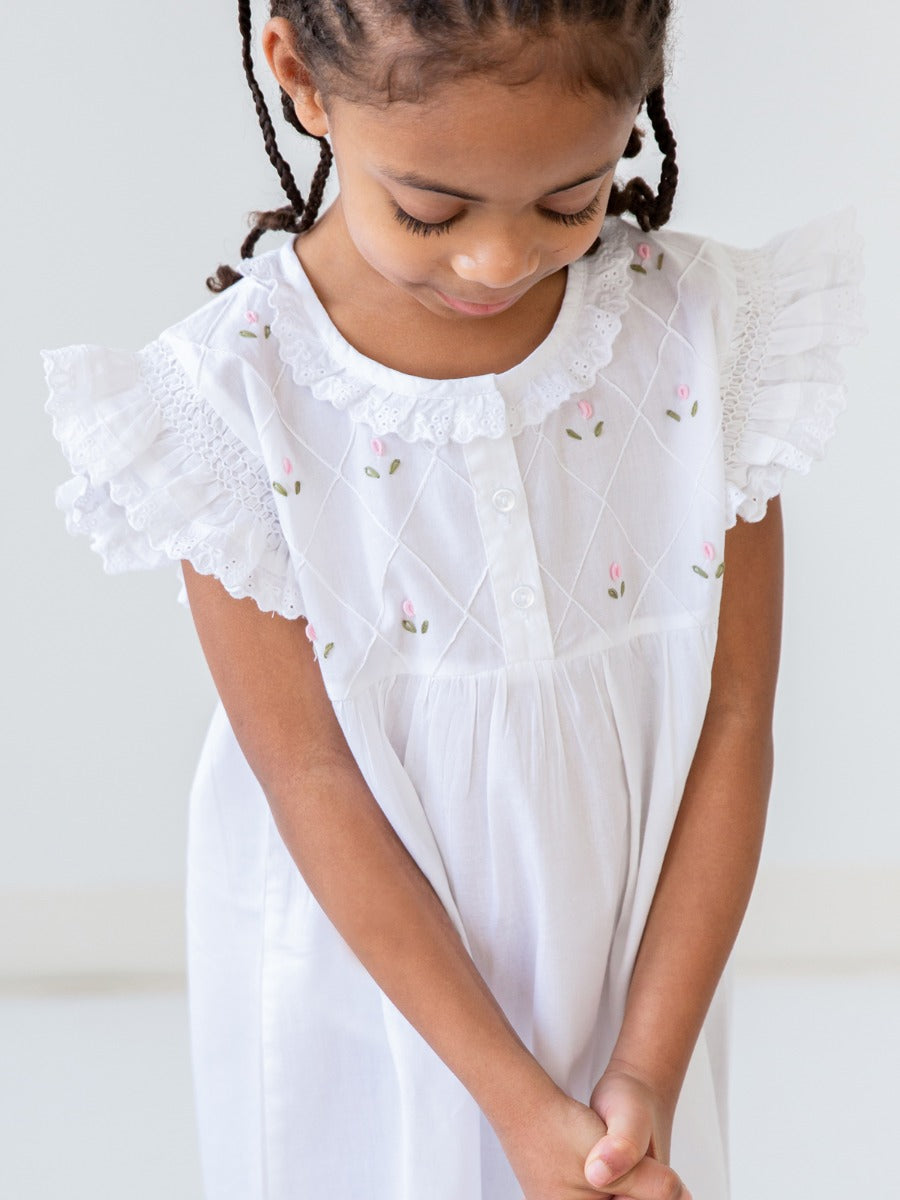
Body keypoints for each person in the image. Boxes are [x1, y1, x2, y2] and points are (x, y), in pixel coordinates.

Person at [42, 1, 863, 1197]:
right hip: (367, 1001)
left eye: (571, 199)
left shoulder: (704, 348)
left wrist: (639, 1075)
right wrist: (517, 1105)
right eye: (430, 209)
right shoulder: (228, 408)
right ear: (301, 80)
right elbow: (309, 781)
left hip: (633, 995)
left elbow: (734, 725)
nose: (498, 259)